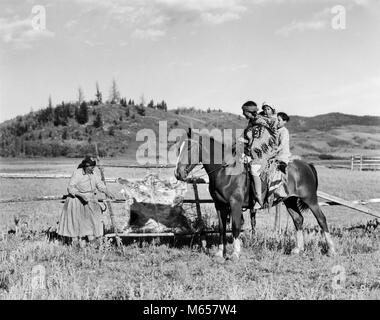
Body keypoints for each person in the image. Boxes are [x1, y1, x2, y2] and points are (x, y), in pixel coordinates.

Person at [57, 156, 115, 245]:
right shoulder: (77, 173)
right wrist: (80, 195)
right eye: (90, 167)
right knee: (75, 221)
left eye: (93, 167)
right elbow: (70, 188)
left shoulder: (93, 174)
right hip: (76, 200)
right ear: (85, 166)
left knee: (92, 219)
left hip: (89, 199)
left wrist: (107, 192)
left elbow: (99, 184)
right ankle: (75, 242)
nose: (92, 169)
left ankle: (92, 240)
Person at [241, 101, 277, 207]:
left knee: (254, 169)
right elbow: (247, 136)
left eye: (245, 112)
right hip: (252, 151)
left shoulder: (271, 121)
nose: (243, 114)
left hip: (265, 152)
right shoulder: (252, 122)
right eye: (264, 109)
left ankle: (259, 198)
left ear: (249, 111)